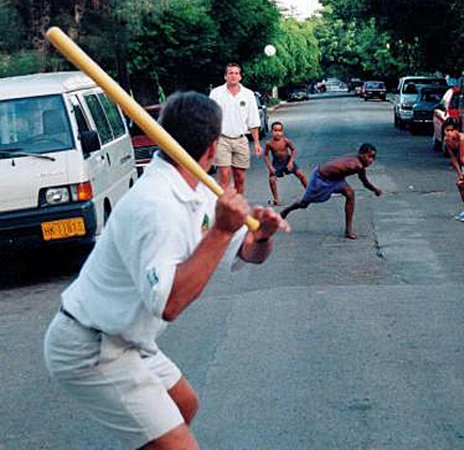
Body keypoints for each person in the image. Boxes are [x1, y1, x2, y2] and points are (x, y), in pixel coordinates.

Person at [43, 92, 289, 450]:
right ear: (212, 147)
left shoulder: (199, 189)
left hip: (129, 339)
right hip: (90, 346)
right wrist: (220, 231)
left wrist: (263, 236)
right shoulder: (155, 205)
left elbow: (250, 254)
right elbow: (169, 304)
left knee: (183, 404)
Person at [280, 143, 382, 239]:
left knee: (350, 193)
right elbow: (365, 183)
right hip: (321, 179)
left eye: (373, 157)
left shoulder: (355, 159)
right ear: (361, 154)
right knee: (304, 203)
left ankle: (348, 229)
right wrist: (375, 190)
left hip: (336, 179)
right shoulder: (357, 166)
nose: (371, 160)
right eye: (369, 156)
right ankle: (286, 210)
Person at [209, 63, 262, 194]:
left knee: (240, 177)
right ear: (225, 76)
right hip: (222, 139)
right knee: (225, 175)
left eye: (236, 73)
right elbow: (210, 117)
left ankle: (239, 206)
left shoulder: (248, 94)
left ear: (240, 76)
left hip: (240, 139)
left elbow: (253, 120)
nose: (233, 76)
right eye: (230, 73)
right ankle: (226, 207)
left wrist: (256, 142)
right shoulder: (216, 93)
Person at [263, 121, 308, 205]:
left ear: (282, 132)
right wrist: (270, 167)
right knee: (272, 180)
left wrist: (290, 162)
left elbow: (293, 150)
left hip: (287, 160)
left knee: (301, 174)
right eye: (275, 131)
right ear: (271, 131)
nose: (278, 133)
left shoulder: (286, 141)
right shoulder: (269, 143)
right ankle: (276, 199)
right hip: (277, 163)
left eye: (280, 131)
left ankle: (310, 193)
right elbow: (265, 155)